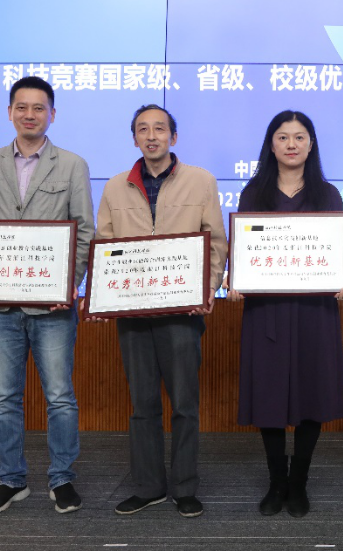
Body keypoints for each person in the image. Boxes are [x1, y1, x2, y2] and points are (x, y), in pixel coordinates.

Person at [0, 76, 95, 514]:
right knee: (3, 398)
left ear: (52, 114)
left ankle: (62, 478)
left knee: (60, 397)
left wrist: (70, 283)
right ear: (10, 112)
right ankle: (11, 479)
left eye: (39, 107)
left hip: (52, 306)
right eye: (22, 107)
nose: (30, 114)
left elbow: (84, 231)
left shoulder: (72, 164)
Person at [94, 104, 227, 518]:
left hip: (182, 313)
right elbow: (104, 245)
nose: (151, 136)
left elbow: (215, 241)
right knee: (142, 404)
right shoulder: (115, 186)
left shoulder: (201, 181)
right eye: (143, 130)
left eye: (159, 129)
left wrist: (208, 288)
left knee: (184, 403)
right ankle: (149, 486)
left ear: (174, 136)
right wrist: (101, 295)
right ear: (134, 138)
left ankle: (185, 487)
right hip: (132, 313)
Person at [225, 110, 343, 518]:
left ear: (311, 144)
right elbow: (241, 251)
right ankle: (276, 481)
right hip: (267, 310)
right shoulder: (254, 193)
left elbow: (339, 253)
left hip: (314, 311)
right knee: (268, 394)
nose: (292, 144)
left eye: (300, 137)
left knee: (312, 393)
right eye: (283, 137)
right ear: (271, 144)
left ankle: (299, 480)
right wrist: (235, 278)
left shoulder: (327, 194)